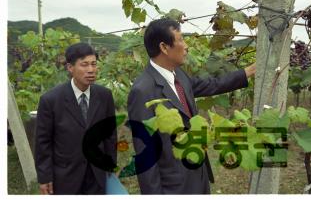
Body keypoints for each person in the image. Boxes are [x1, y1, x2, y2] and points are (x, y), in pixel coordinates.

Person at [127, 18, 256, 194]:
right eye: (180, 40)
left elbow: (213, 84)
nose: (186, 46)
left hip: (198, 176)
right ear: (164, 47)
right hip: (174, 186)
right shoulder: (143, 90)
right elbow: (146, 156)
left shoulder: (179, 75)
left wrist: (248, 72)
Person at [34, 42, 117, 195]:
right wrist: (45, 177)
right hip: (66, 176)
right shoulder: (51, 100)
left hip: (97, 174)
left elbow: (110, 135)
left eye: (93, 64)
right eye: (84, 65)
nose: (91, 70)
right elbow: (43, 142)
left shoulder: (104, 95)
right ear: (70, 68)